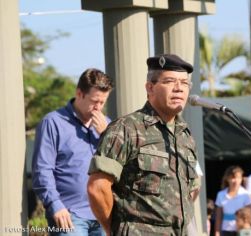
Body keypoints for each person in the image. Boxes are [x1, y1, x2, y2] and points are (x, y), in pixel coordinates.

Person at [86, 54, 201, 236]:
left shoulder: (185, 136)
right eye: (170, 81)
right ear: (150, 88)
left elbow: (193, 188)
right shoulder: (126, 128)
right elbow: (98, 188)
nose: (179, 89)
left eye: (185, 83)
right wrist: (114, 229)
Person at [32, 68, 114, 235]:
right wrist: (55, 205)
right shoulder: (53, 122)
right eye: (94, 101)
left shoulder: (107, 124)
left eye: (103, 102)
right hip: (70, 215)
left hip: (103, 213)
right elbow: (42, 169)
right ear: (79, 93)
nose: (98, 108)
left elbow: (118, 167)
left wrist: (107, 136)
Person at [214, 166, 251, 236]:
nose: (235, 181)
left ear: (241, 179)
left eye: (238, 177)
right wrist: (217, 231)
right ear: (227, 179)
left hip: (242, 231)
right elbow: (218, 216)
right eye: (233, 177)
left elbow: (249, 215)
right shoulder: (220, 195)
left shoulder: (246, 195)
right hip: (226, 231)